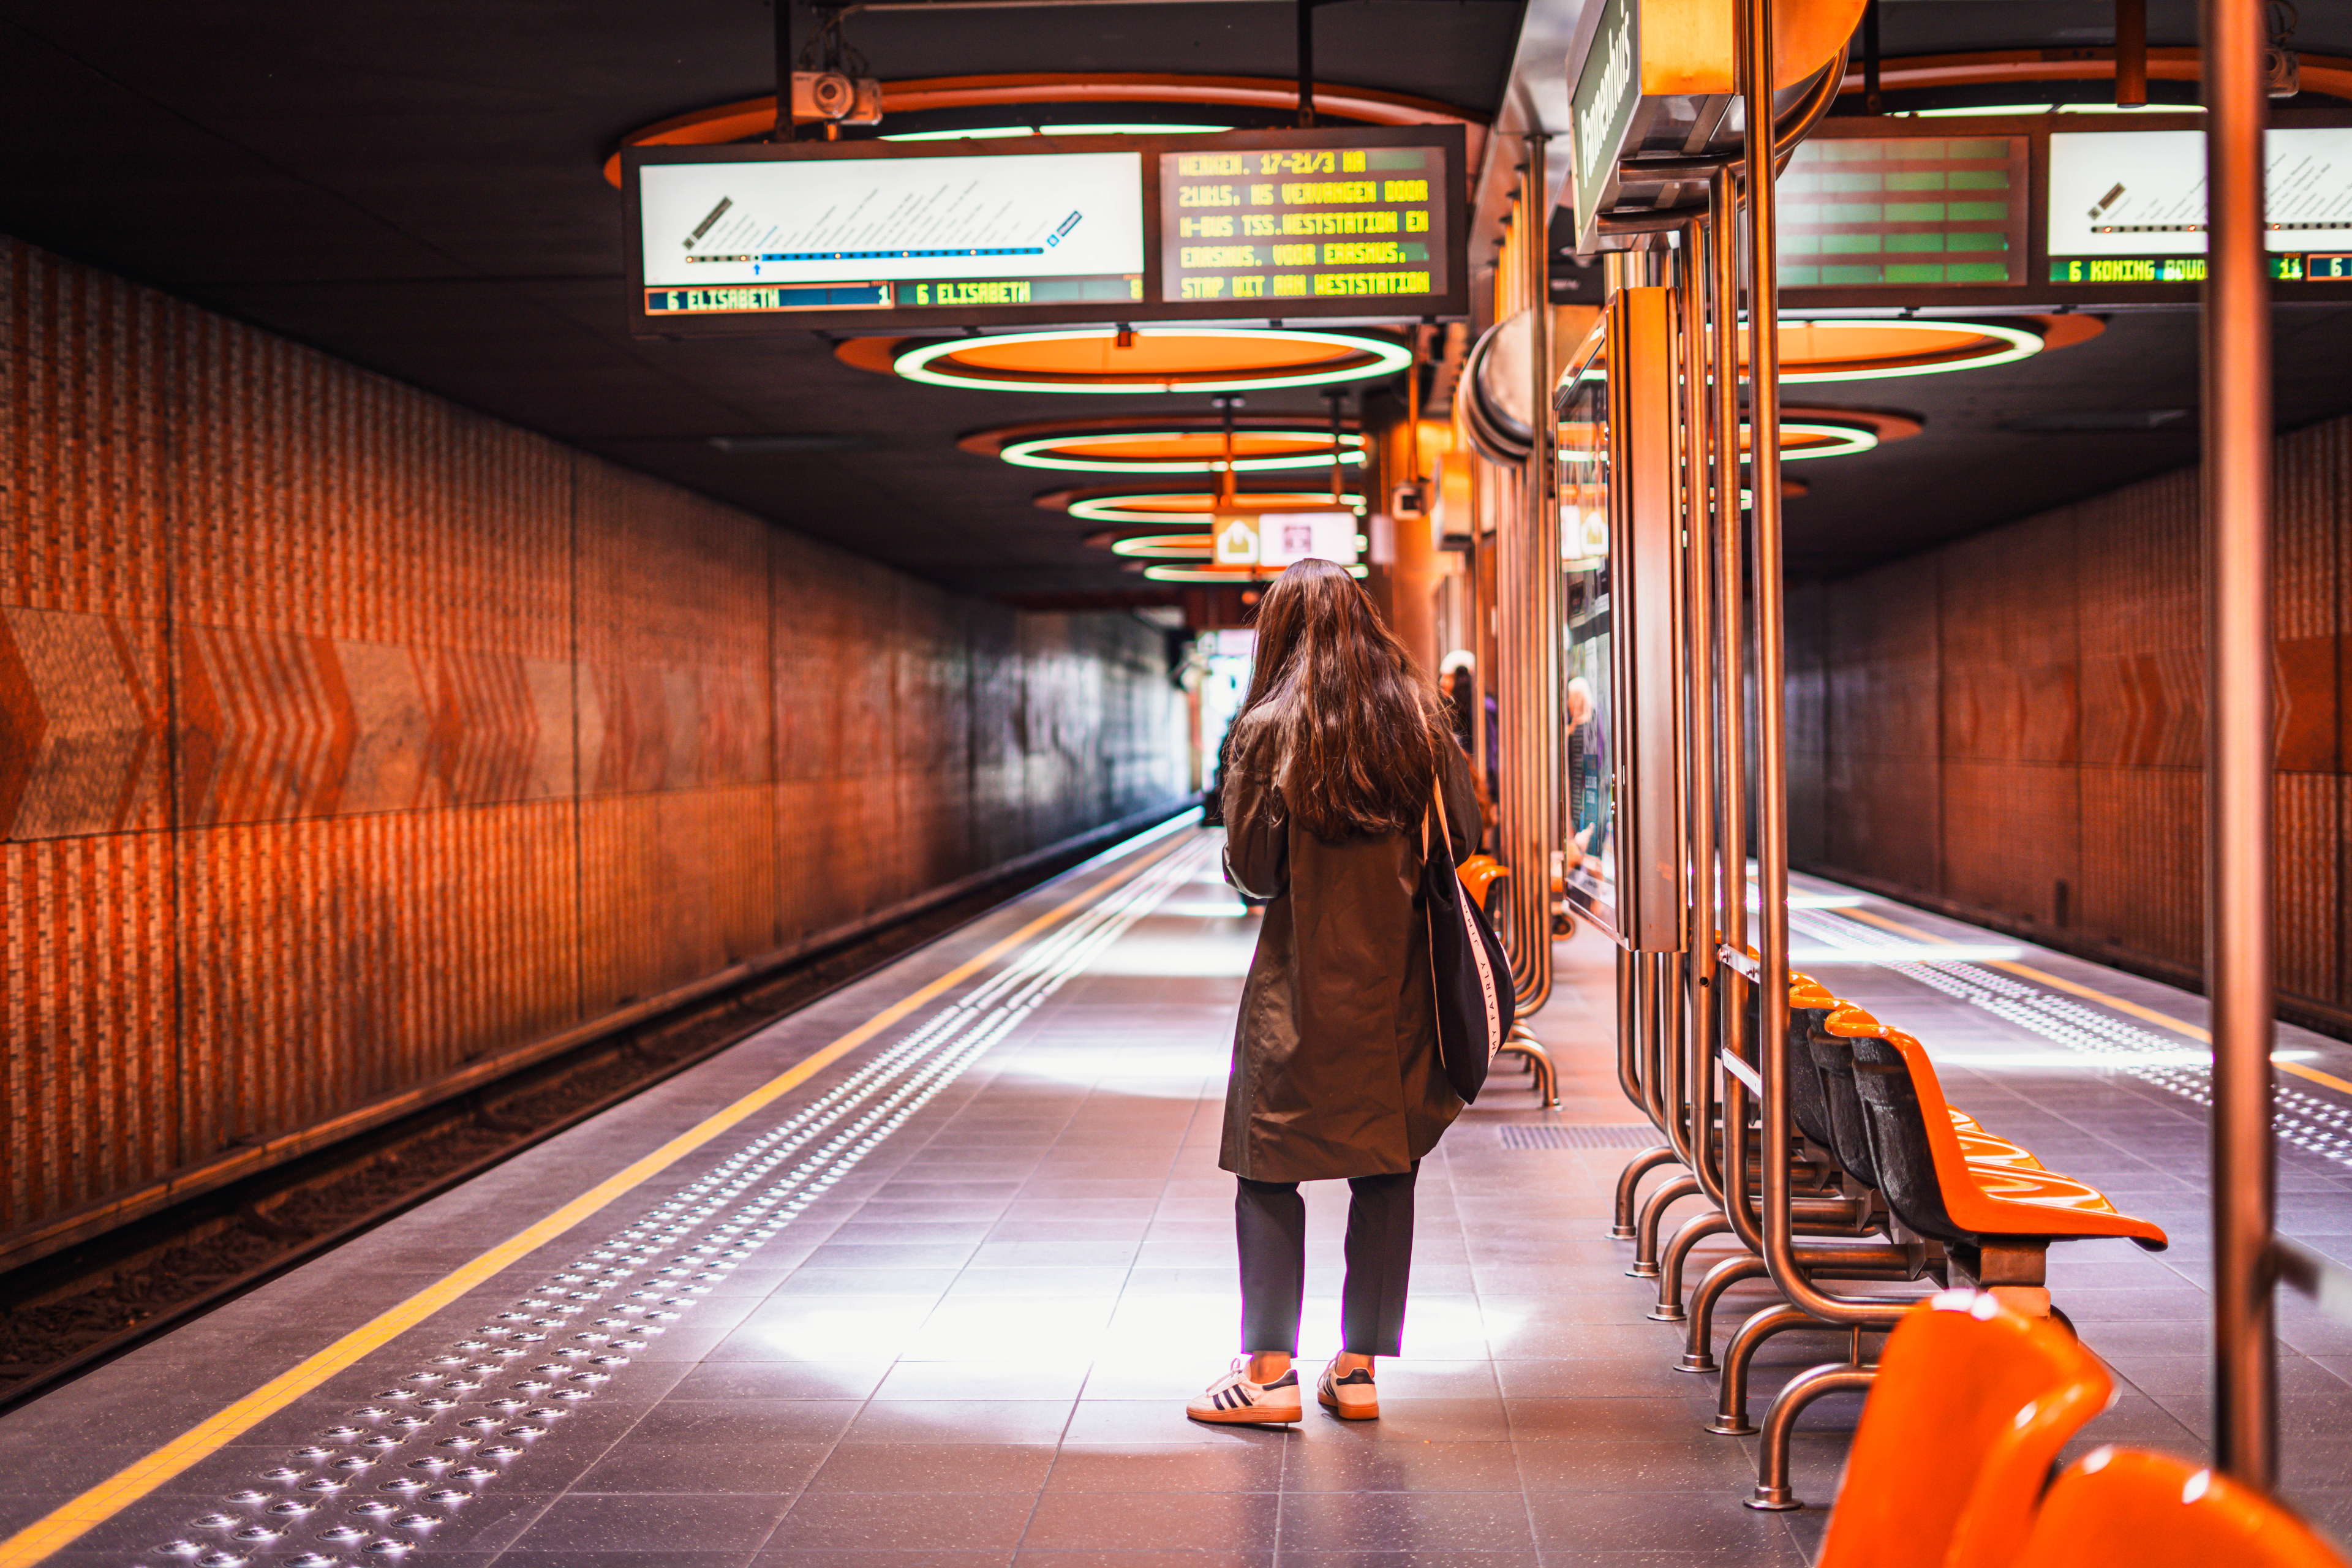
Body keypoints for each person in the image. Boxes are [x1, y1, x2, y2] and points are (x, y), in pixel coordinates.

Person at [1187, 559, 1480, 1426]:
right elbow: (1462, 837)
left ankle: (1268, 1374)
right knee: (1387, 1169)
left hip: (1298, 989)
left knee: (1267, 1169)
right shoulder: (1420, 720)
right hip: (1400, 989)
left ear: (1279, 635)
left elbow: (1256, 873)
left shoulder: (1267, 730)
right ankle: (1356, 1374)